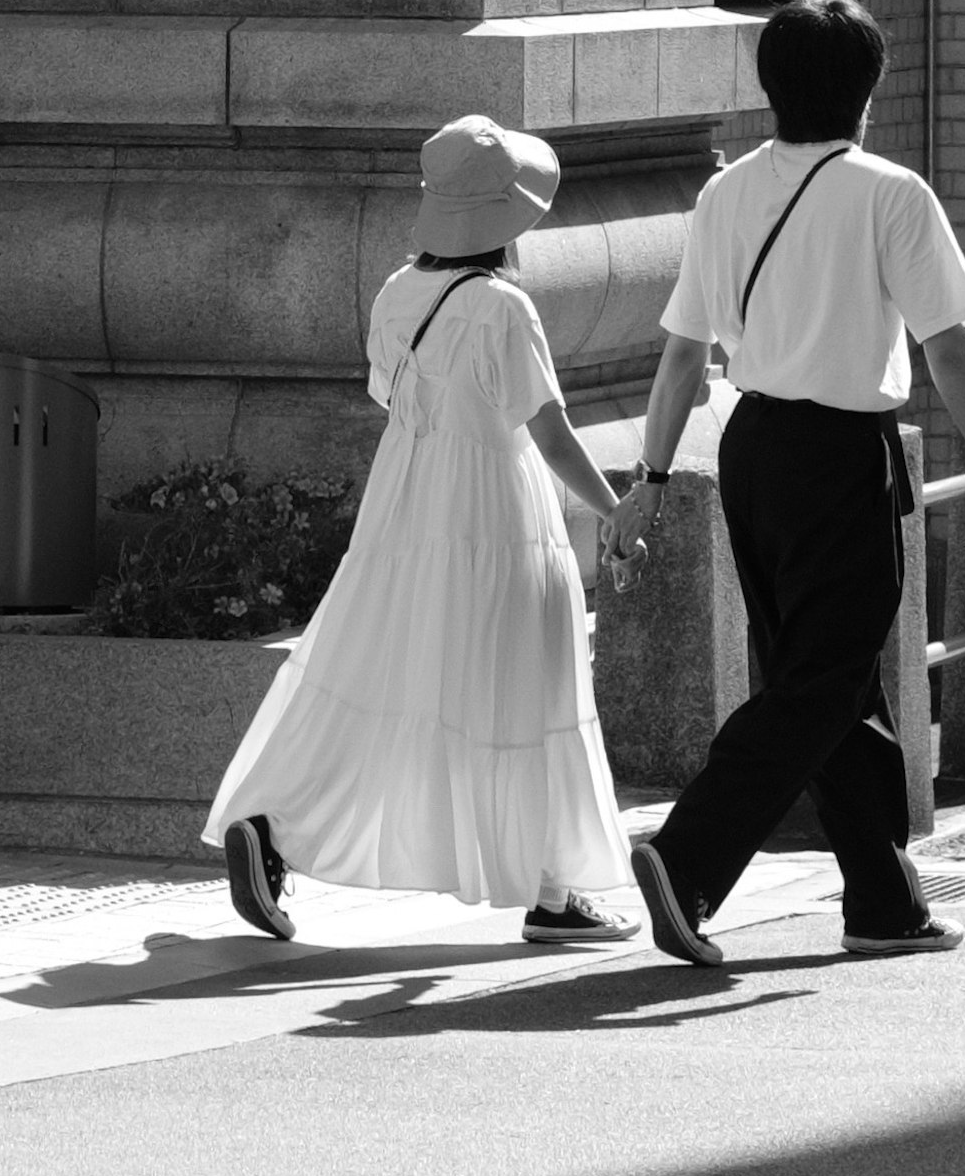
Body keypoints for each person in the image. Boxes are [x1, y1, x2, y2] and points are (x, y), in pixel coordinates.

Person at [622, 0, 965, 976]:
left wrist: (651, 476)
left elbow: (680, 358)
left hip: (751, 446)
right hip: (842, 453)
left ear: (770, 87)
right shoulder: (889, 192)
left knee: (838, 684)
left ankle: (884, 902)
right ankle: (687, 857)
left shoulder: (724, 194)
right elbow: (948, 350)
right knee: (824, 678)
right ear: (867, 91)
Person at [207, 113, 640, 952]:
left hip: (405, 505)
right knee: (531, 679)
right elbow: (547, 432)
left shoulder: (398, 291)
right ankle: (552, 890)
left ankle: (272, 822)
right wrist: (617, 510)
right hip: (495, 511)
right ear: (507, 218)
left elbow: (389, 396)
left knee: (370, 672)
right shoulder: (505, 309)